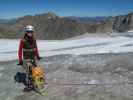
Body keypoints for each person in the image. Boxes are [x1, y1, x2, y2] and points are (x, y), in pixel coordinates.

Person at [17, 25, 42, 91]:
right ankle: (29, 86)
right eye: (28, 32)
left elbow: (35, 48)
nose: (30, 33)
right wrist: (20, 60)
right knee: (29, 73)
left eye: (31, 32)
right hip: (27, 59)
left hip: (33, 57)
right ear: (26, 32)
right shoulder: (23, 40)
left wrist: (37, 56)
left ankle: (39, 82)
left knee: (37, 71)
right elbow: (20, 51)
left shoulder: (34, 39)